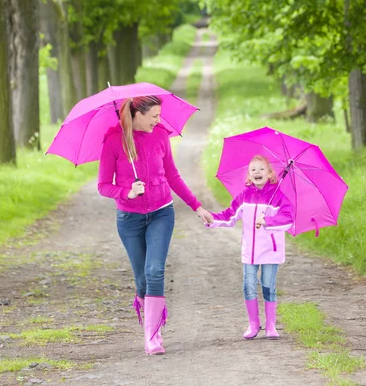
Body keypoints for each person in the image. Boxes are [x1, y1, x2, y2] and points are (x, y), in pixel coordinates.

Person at [97, 95, 212, 355]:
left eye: (159, 116)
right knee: (142, 280)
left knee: (155, 270)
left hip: (161, 212)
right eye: (154, 116)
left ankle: (153, 336)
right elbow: (103, 186)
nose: (158, 121)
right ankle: (145, 306)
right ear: (137, 115)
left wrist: (197, 206)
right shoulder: (114, 142)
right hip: (130, 220)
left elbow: (172, 175)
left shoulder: (160, 136)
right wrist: (126, 191)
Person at [206, 154, 294, 339]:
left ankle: (271, 326)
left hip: (270, 251)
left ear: (270, 174)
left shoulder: (277, 197)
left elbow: (288, 219)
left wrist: (268, 220)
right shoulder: (244, 197)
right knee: (248, 285)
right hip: (250, 251)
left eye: (261, 169)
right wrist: (212, 219)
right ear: (248, 175)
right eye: (253, 169)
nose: (257, 172)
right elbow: (229, 216)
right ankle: (254, 324)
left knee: (268, 286)